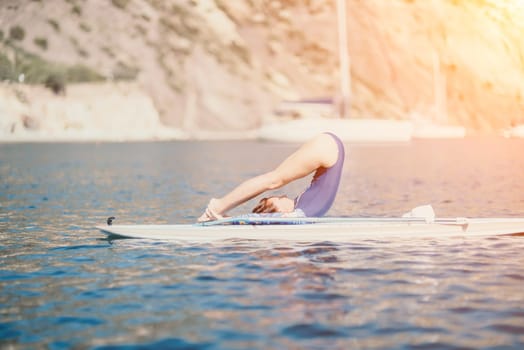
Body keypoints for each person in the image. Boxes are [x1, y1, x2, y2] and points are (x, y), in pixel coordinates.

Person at [198, 132, 345, 222]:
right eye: (279, 199)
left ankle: (217, 207)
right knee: (274, 180)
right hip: (328, 147)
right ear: (281, 213)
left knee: (275, 179)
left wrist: (230, 221)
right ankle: (216, 207)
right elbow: (262, 220)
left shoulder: (301, 209)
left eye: (279, 196)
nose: (284, 195)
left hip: (328, 147)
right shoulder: (297, 213)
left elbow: (258, 219)